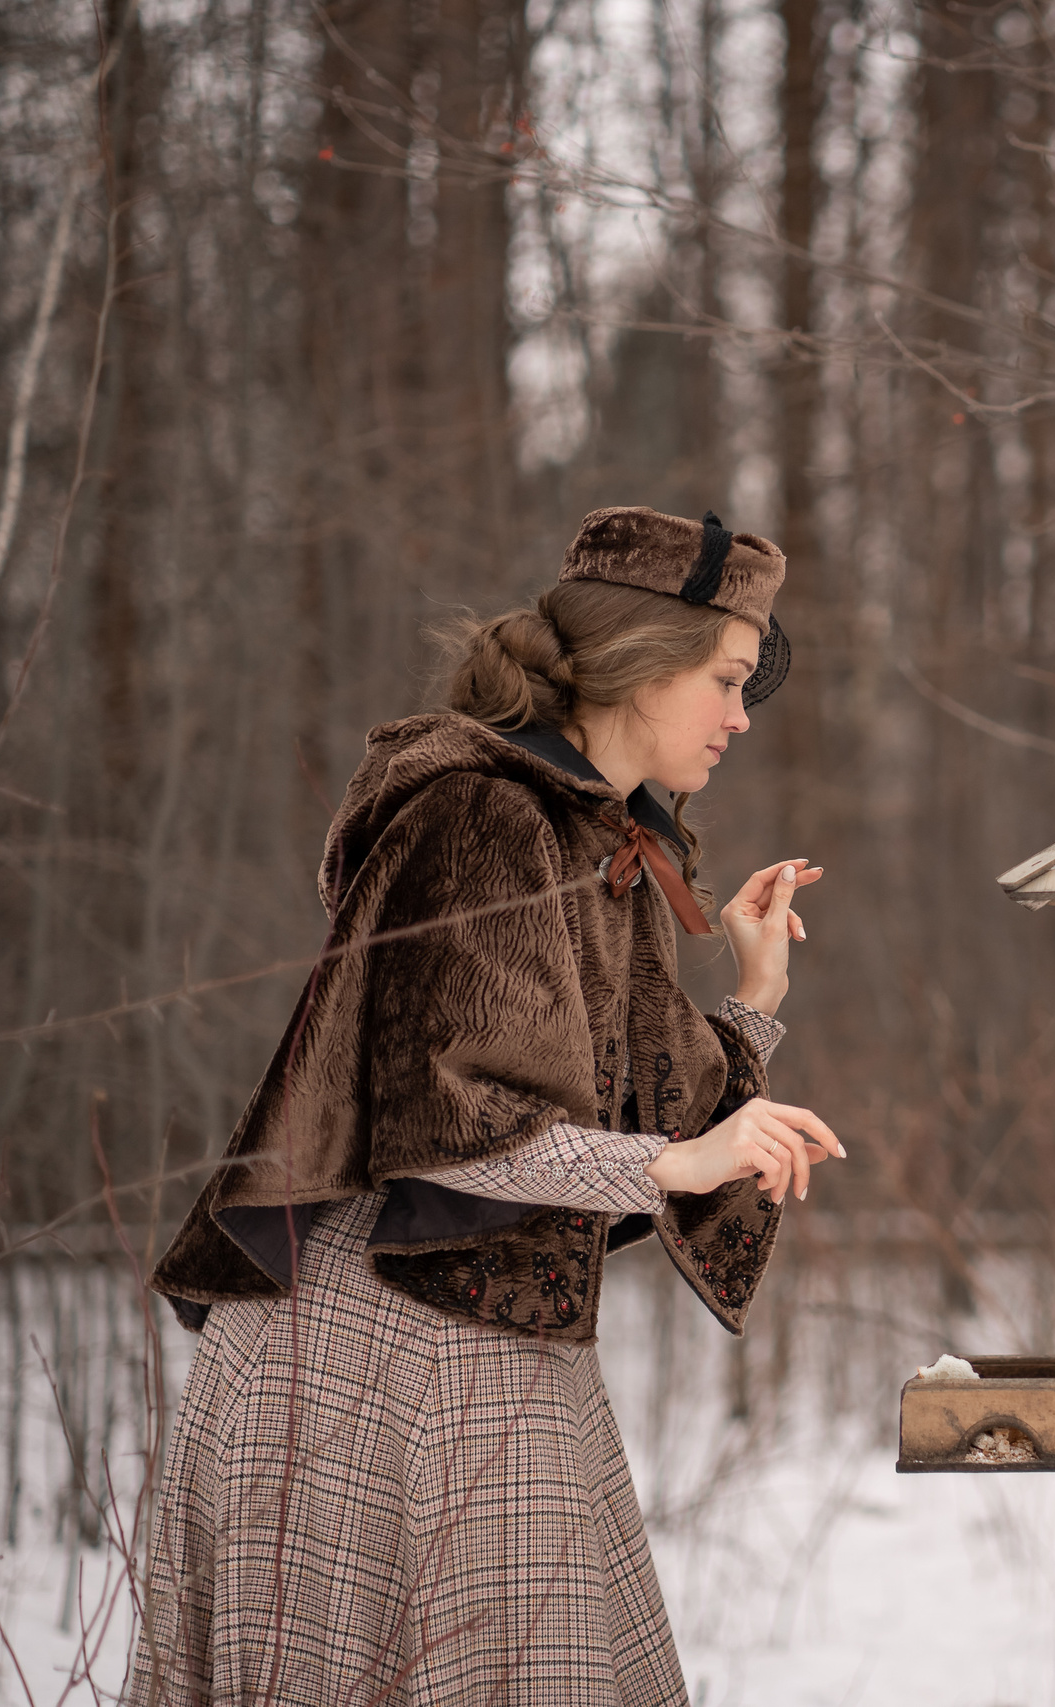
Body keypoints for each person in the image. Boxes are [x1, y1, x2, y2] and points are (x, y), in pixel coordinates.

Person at [132, 507, 843, 1705]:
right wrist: (675, 1164)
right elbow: (454, 1121)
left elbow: (637, 1114)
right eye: (724, 682)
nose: (738, 718)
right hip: (360, 1345)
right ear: (636, 665)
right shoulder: (479, 815)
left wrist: (756, 997)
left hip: (480, 1327)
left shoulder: (592, 840)